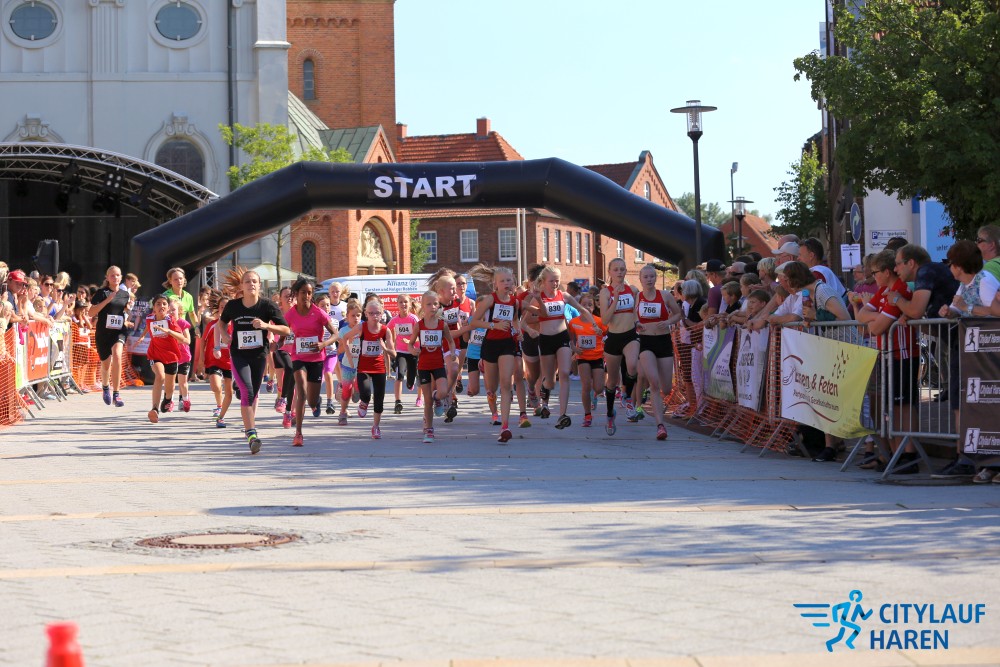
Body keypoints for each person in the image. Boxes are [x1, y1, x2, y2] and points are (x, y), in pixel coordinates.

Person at [938, 240, 997, 482]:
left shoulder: (985, 281)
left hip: (989, 354)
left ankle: (988, 462)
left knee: (987, 404)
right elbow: (959, 308)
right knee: (964, 400)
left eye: (951, 263)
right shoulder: (965, 284)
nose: (949, 268)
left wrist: (966, 307)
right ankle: (968, 456)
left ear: (959, 265)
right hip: (971, 351)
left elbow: (995, 311)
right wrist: (949, 312)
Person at [857, 251, 920, 474]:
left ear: (886, 271)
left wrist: (877, 318)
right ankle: (896, 453)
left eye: (875, 272)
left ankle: (908, 454)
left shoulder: (899, 290)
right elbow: (861, 315)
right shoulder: (883, 291)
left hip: (902, 354)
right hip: (886, 355)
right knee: (890, 407)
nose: (873, 277)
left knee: (902, 407)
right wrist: (879, 316)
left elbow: (875, 328)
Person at [218, 268, 290, 454]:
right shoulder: (233, 306)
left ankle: (249, 427)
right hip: (238, 355)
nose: (251, 284)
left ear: (259, 286)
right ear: (242, 286)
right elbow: (222, 322)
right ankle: (251, 434)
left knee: (253, 393)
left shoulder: (267, 306)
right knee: (247, 392)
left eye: (254, 281)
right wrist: (225, 334)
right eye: (247, 281)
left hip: (259, 356)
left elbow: (286, 329)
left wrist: (266, 326)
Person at [520, 265, 594, 429]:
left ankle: (562, 414)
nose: (555, 284)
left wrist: (593, 324)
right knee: (550, 381)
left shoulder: (564, 296)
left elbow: (582, 309)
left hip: (562, 338)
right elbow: (523, 322)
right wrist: (531, 330)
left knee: (565, 373)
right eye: (552, 281)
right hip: (546, 340)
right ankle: (544, 393)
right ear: (543, 282)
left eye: (557, 281)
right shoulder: (538, 298)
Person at [468, 263, 521, 443]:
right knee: (492, 388)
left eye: (509, 280)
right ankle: (493, 404)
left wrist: (518, 331)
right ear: (495, 284)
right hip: (490, 344)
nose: (506, 283)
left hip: (507, 345)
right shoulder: (490, 300)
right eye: (502, 281)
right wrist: (494, 325)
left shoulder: (515, 302)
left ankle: (505, 426)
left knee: (506, 384)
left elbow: (515, 320)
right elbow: (474, 322)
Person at [284, 277, 339, 447]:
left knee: (311, 401)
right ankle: (298, 433)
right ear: (296, 294)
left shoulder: (318, 312)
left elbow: (336, 334)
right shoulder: (291, 313)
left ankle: (317, 402)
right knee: (301, 391)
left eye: (309, 293)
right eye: (303, 292)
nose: (306, 296)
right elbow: (283, 330)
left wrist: (324, 344)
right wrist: (277, 343)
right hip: (299, 357)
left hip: (316, 358)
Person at [635, 263, 683, 440]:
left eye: (652, 276)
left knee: (666, 388)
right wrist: (636, 323)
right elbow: (631, 316)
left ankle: (651, 389)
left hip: (663, 341)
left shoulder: (664, 296)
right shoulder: (638, 297)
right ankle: (660, 425)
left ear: (655, 278)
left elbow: (678, 314)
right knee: (654, 383)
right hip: (646, 342)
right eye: (645, 277)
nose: (649, 279)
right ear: (640, 279)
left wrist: (669, 322)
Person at [341, 296, 396, 439]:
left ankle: (376, 427)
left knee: (379, 399)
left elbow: (394, 353)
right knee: (365, 393)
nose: (374, 316)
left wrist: (385, 348)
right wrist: (350, 359)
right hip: (363, 368)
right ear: (366, 314)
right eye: (371, 313)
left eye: (377, 313)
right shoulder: (362, 327)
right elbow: (345, 338)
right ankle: (364, 402)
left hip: (379, 368)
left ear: (382, 313)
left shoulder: (385, 330)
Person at [599, 257, 641, 435]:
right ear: (609, 272)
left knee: (632, 366)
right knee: (612, 380)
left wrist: (638, 322)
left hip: (630, 335)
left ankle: (627, 397)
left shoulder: (633, 290)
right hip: (614, 337)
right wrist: (615, 299)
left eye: (622, 269)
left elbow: (636, 312)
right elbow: (605, 320)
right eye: (615, 269)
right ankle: (610, 414)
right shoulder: (605, 293)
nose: (619, 272)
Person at [136, 295, 189, 423]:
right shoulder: (150, 318)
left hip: (171, 356)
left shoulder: (170, 321)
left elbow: (183, 339)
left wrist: (168, 331)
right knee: (160, 376)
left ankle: (168, 399)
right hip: (155, 354)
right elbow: (148, 326)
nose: (162, 306)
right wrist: (142, 336)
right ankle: (154, 409)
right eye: (158, 304)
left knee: (170, 389)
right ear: (154, 308)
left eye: (164, 304)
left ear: (168, 307)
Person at [412, 290, 457, 443]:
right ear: (423, 306)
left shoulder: (442, 325)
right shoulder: (419, 326)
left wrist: (453, 353)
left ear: (438, 306)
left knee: (443, 392)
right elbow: (411, 344)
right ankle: (429, 430)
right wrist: (413, 350)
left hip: (438, 365)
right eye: (429, 304)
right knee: (427, 401)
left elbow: (451, 342)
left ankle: (437, 398)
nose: (432, 307)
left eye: (435, 304)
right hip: (424, 366)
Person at [88, 266, 130, 408]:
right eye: (112, 275)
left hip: (119, 331)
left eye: (117, 275)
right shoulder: (102, 293)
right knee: (106, 364)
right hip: (103, 333)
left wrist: (128, 312)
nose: (115, 278)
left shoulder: (125, 294)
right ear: (107, 278)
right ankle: (105, 386)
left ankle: (116, 394)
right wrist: (107, 300)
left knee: (117, 356)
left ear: (121, 277)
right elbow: (90, 313)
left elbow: (122, 309)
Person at [568, 293, 606, 428]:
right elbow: (571, 339)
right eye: (584, 305)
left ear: (594, 307)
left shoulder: (599, 321)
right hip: (582, 357)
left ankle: (595, 395)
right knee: (586, 386)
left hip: (597, 357)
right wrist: (574, 348)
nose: (587, 307)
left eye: (590, 305)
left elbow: (608, 336)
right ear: (579, 306)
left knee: (599, 388)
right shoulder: (574, 322)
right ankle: (587, 415)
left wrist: (602, 336)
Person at [203, 292, 233, 428]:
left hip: (230, 362)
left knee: (229, 392)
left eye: (227, 307)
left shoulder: (236, 325)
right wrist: (201, 361)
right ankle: (219, 405)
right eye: (222, 307)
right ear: (218, 309)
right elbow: (203, 342)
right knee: (215, 385)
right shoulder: (213, 325)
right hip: (215, 360)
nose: (224, 309)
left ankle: (221, 415)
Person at [388, 294, 419, 414]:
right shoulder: (395, 320)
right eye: (400, 302)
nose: (403, 304)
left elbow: (421, 335)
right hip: (400, 352)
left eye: (405, 302)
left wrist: (411, 341)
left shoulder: (413, 319)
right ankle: (398, 402)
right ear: (397, 305)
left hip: (413, 351)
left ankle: (411, 382)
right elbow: (386, 330)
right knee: (399, 374)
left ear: (410, 304)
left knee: (410, 380)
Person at [335, 300, 363, 426]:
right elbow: (339, 350)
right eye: (353, 315)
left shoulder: (364, 328)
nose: (356, 318)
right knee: (346, 391)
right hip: (347, 365)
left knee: (360, 384)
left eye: (358, 315)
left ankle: (357, 389)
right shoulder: (343, 330)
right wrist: (348, 341)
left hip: (361, 364)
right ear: (347, 316)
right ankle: (343, 413)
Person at [168, 299, 194, 412]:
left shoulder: (183, 323)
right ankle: (170, 401)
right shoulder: (166, 324)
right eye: (168, 310)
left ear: (179, 311)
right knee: (170, 382)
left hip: (183, 357)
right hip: (171, 357)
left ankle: (185, 400)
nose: (171, 312)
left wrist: (176, 340)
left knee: (182, 382)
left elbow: (188, 340)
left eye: (173, 310)